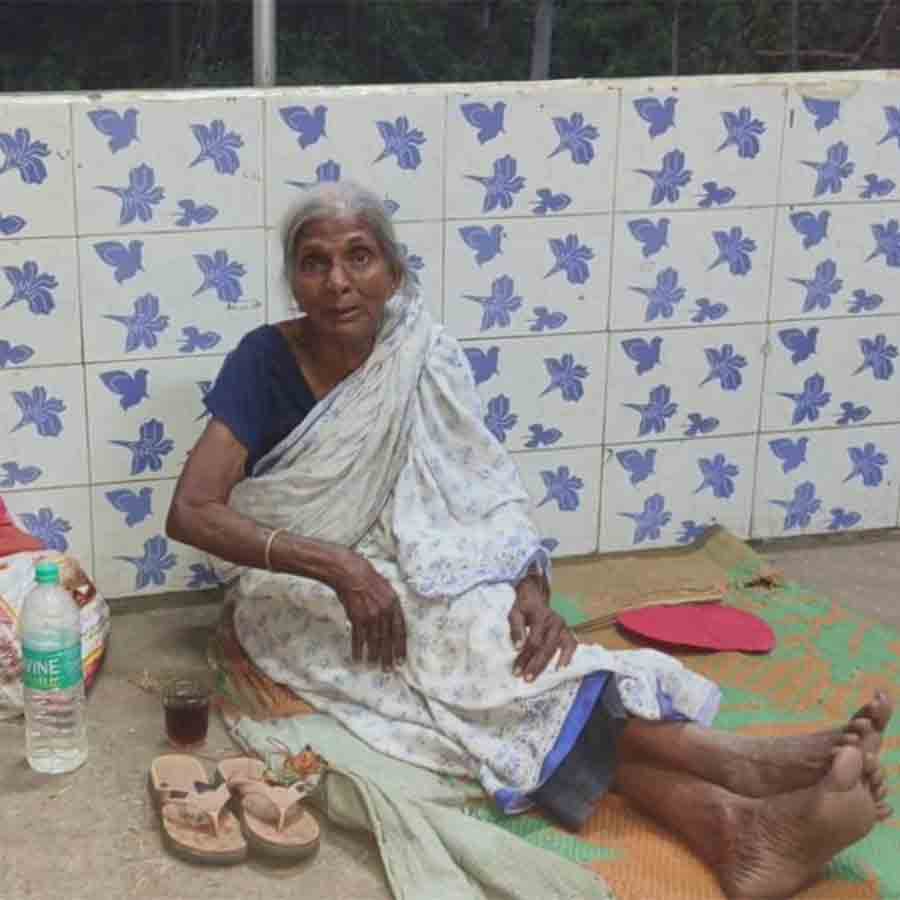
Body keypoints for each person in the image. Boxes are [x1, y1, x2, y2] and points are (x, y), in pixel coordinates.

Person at [167, 180, 893, 899]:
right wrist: (336, 564)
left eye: (359, 257)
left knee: (499, 639)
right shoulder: (264, 360)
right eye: (314, 263)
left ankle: (734, 830)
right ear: (293, 281)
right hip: (297, 584)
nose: (337, 283)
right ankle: (735, 767)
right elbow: (193, 511)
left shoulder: (420, 351)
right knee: (457, 650)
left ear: (394, 271)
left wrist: (528, 584)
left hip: (418, 554)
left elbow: (478, 483)